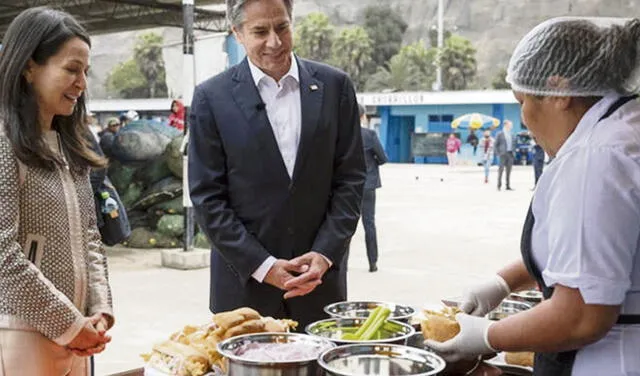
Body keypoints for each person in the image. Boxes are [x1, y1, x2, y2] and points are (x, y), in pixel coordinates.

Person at [426, 17, 640, 376]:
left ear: (559, 91)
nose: (524, 117)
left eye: (522, 100)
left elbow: (582, 316)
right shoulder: (624, 126)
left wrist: (488, 336)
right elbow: (594, 248)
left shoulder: (594, 159)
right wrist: (504, 282)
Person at [188, 0, 366, 330]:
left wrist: (325, 254)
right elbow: (207, 197)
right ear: (237, 33)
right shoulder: (212, 98)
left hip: (319, 286)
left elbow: (351, 180)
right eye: (260, 31)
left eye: (282, 27)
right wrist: (263, 265)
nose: (275, 41)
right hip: (244, 293)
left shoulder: (335, 87)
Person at [0, 7, 114, 375]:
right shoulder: (5, 144)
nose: (81, 82)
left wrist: (100, 309)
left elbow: (90, 235)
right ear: (29, 67)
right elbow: (3, 255)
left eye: (85, 72)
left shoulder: (69, 146)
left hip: (78, 334)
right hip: (23, 334)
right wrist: (68, 324)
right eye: (71, 69)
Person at [359, 103, 387, 273]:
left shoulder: (342, 133)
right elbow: (383, 158)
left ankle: (342, 263)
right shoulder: (369, 135)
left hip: (346, 188)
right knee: (369, 224)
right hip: (368, 185)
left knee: (345, 226)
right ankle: (372, 263)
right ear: (363, 117)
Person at [494, 119, 516, 190]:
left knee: (509, 171)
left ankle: (508, 186)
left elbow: (514, 144)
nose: (511, 126)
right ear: (506, 125)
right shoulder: (500, 134)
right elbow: (495, 144)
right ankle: (499, 185)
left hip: (510, 154)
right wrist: (498, 153)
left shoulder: (511, 134)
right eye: (510, 125)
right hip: (503, 154)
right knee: (501, 170)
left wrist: (514, 151)